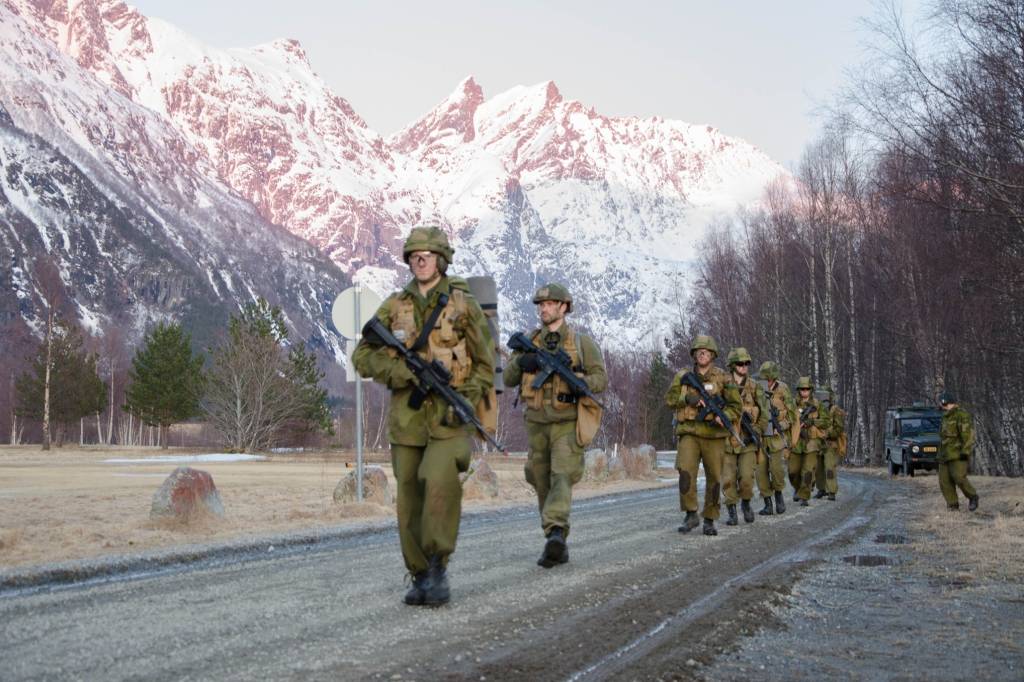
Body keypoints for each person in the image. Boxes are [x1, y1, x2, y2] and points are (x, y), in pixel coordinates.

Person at [353, 226, 494, 606]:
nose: (420, 259)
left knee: (439, 483)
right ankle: (418, 574)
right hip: (408, 420)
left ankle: (437, 566)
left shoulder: (463, 304)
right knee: (409, 500)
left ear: (442, 260)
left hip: (449, 418)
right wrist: (401, 373)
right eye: (414, 254)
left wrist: (464, 397)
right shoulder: (394, 305)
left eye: (427, 254)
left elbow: (486, 362)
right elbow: (362, 356)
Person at [504, 283, 607, 568]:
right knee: (540, 479)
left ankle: (556, 534)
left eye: (549, 304)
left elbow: (601, 378)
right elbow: (509, 378)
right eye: (541, 305)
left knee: (562, 474)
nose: (544, 308)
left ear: (564, 307)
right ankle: (553, 536)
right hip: (535, 423)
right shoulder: (530, 339)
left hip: (565, 422)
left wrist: (580, 383)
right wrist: (523, 362)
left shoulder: (581, 342)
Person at [664, 336, 742, 536]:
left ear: (713, 354)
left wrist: (723, 417)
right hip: (689, 431)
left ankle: (709, 518)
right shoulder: (684, 376)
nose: (702, 353)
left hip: (714, 435)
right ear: (693, 354)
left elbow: (736, 407)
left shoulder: (724, 378)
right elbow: (670, 399)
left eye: (706, 351)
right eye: (698, 350)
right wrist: (688, 398)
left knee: (714, 478)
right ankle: (691, 514)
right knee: (685, 473)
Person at [722, 347, 768, 525]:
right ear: (733, 365)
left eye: (746, 363)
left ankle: (746, 504)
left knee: (747, 478)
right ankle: (732, 510)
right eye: (740, 364)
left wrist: (756, 430)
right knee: (727, 478)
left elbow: (765, 413)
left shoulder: (754, 387)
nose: (744, 367)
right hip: (727, 439)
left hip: (748, 441)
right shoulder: (723, 384)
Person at [755, 361, 795, 515]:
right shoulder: (756, 387)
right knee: (760, 472)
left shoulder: (783, 389)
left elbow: (792, 414)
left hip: (777, 437)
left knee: (776, 469)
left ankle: (779, 496)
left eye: (770, 378)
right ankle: (767, 503)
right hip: (760, 436)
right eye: (765, 378)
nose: (768, 381)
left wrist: (783, 425)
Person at [790, 376, 830, 506]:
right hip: (796, 442)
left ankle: (804, 496)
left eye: (807, 389)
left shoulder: (817, 405)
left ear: (810, 390)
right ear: (798, 390)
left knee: (807, 470)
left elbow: (826, 421)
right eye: (802, 389)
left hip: (812, 442)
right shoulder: (792, 404)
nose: (804, 391)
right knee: (793, 471)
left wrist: (812, 421)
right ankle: (798, 489)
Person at [938, 391, 979, 511]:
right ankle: (952, 505)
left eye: (942, 403)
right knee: (944, 481)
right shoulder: (945, 416)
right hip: (944, 454)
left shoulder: (961, 415)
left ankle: (973, 496)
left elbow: (969, 436)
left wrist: (965, 452)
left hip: (958, 454)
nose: (941, 406)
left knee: (959, 478)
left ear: (947, 403)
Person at [814, 386, 846, 501]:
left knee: (829, 468)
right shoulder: (816, 410)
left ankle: (831, 491)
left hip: (830, 443)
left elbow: (839, 428)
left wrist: (828, 433)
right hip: (818, 443)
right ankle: (821, 489)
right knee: (818, 468)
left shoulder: (835, 410)